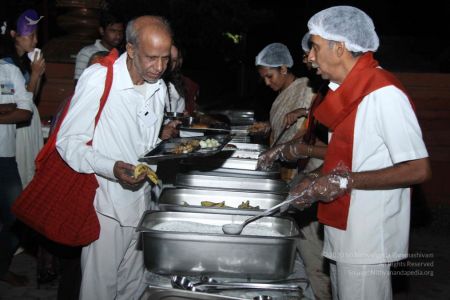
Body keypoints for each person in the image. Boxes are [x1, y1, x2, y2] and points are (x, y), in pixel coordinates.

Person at [286, 6, 431, 300]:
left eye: (315, 46)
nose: (310, 56)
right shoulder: (348, 90)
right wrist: (314, 179)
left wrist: (344, 181)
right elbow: (351, 155)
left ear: (339, 48)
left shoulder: (383, 93)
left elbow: (419, 168)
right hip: (344, 229)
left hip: (368, 236)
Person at [56, 15, 173, 299]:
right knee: (100, 291)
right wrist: (111, 167)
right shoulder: (100, 78)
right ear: (131, 50)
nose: (159, 67)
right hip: (106, 208)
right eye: (151, 58)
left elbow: (144, 144)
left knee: (134, 289)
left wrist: (168, 149)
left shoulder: (159, 87)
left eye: (165, 59)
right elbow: (68, 142)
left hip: (142, 205)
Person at [255, 42, 315, 180]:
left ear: (283, 69)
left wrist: (281, 151)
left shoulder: (305, 88)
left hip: (298, 168)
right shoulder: (281, 94)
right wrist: (269, 127)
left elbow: (305, 130)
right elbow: (284, 125)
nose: (267, 83)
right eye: (263, 78)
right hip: (280, 164)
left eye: (269, 76)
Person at [0, 9, 46, 189]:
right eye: (30, 35)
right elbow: (12, 102)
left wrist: (38, 74)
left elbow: (32, 98)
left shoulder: (23, 62)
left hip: (29, 122)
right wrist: (34, 75)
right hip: (15, 128)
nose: (35, 41)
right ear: (14, 35)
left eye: (36, 36)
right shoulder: (6, 66)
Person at [0, 58, 33, 286]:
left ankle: (2, 267)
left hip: (5, 158)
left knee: (17, 217)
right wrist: (5, 108)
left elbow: (25, 112)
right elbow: (15, 109)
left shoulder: (9, 70)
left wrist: (14, 108)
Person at [73, 10, 124, 85]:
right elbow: (78, 84)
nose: (118, 36)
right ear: (102, 31)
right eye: (113, 31)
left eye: (120, 31)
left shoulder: (122, 55)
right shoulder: (87, 53)